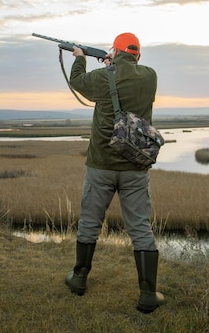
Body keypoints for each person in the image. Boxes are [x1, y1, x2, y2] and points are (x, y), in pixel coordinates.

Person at [64, 32, 165, 314]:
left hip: (100, 165)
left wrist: (80, 59)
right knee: (141, 229)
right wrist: (113, 64)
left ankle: (79, 279)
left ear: (114, 51)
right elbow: (127, 74)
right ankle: (147, 295)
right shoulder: (150, 76)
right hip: (135, 166)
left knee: (89, 222)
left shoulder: (102, 77)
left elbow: (77, 82)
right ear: (138, 54)